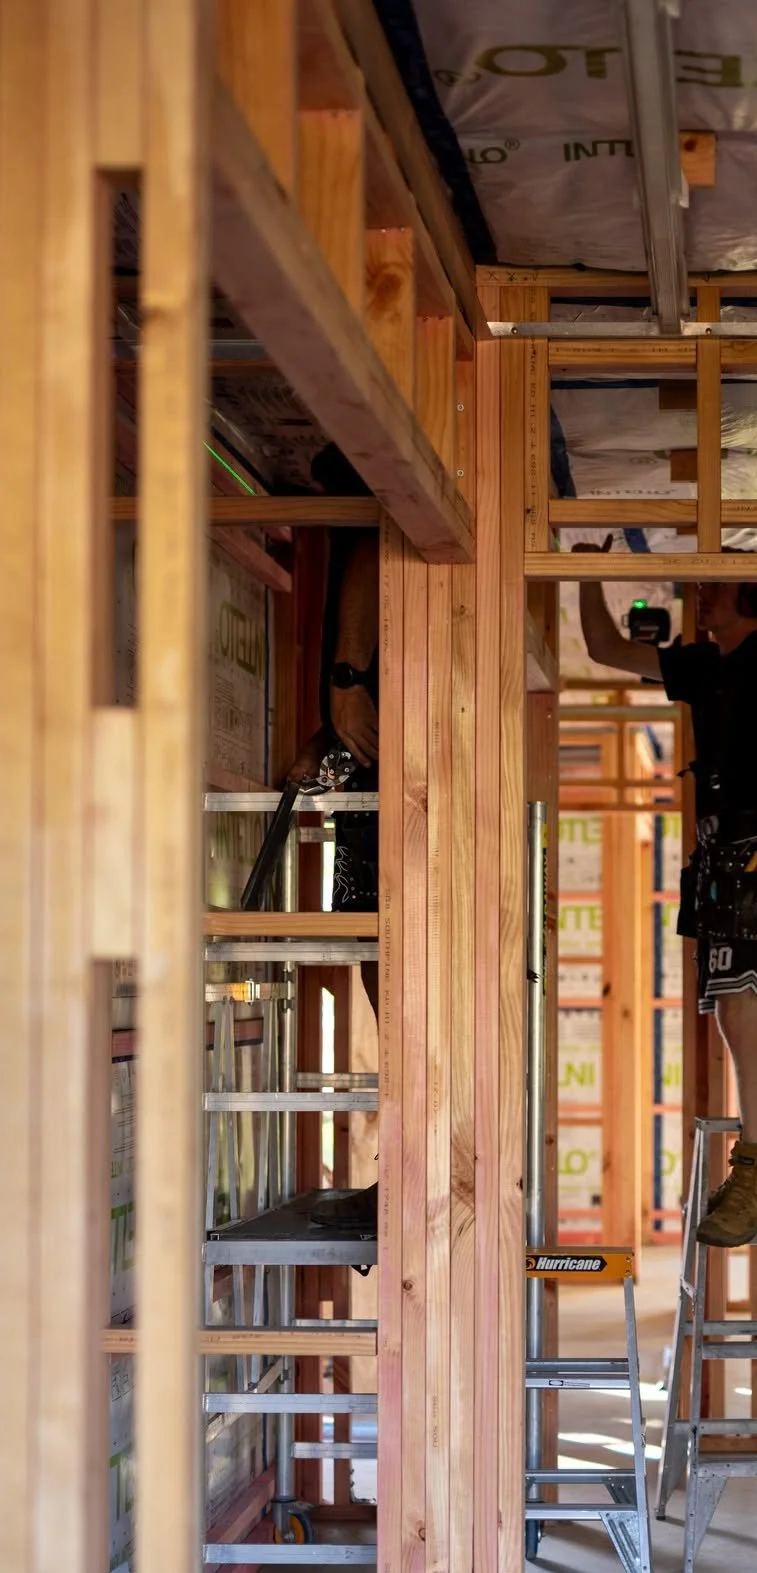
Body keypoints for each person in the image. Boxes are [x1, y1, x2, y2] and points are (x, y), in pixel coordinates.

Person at [577, 562, 757, 1247]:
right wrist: (584, 573)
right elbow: (606, 650)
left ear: (750, 598)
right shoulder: (699, 665)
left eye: (715, 586)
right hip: (722, 862)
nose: (702, 593)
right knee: (751, 1016)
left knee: (741, 1008)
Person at [288, 445, 380, 1232]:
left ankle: (407, 1176)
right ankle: (405, 1173)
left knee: (392, 964)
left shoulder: (375, 528)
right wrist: (331, 724)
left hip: (389, 782)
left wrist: (346, 688)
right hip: (373, 771)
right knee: (382, 960)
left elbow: (376, 563)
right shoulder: (362, 532)